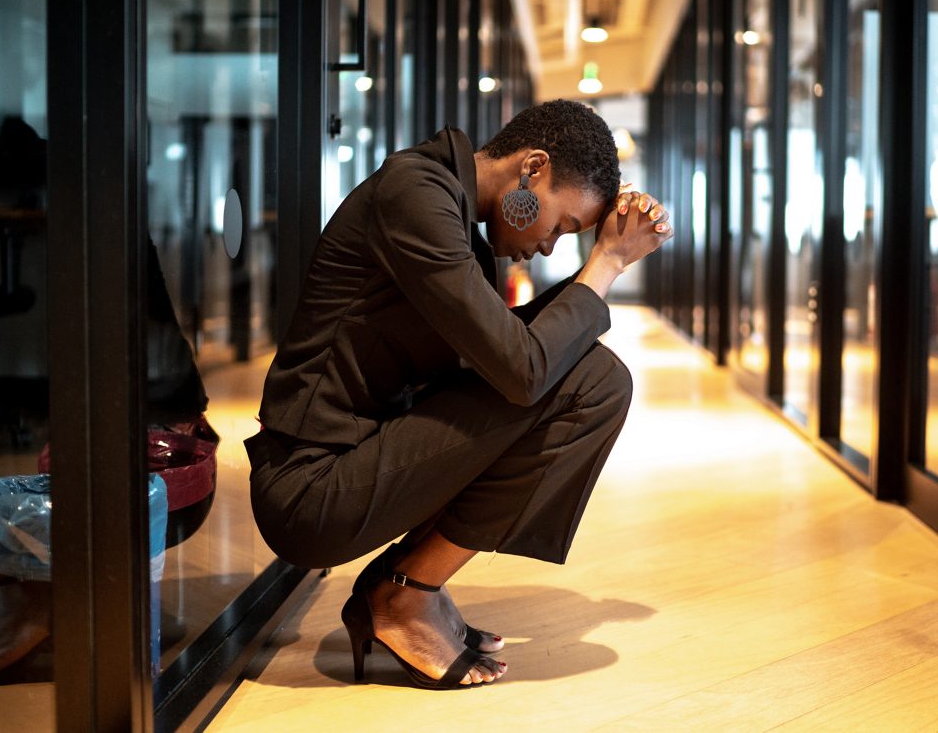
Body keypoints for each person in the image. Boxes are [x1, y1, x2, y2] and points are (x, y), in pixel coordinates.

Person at [244, 100, 672, 690]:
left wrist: (602, 259)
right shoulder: (415, 198)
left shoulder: (451, 214)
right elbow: (523, 371)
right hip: (310, 488)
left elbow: (511, 356)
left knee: (595, 378)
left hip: (361, 458)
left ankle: (408, 584)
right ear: (533, 169)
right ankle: (404, 596)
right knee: (591, 382)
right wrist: (608, 262)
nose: (550, 246)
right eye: (563, 225)